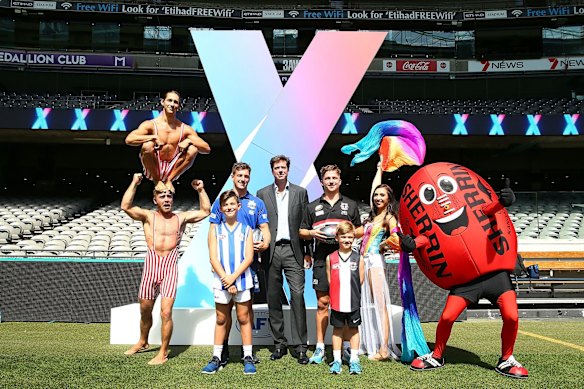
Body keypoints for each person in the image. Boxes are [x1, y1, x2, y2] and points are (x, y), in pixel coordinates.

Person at [121, 173, 210, 365]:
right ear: (155, 199)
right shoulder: (148, 216)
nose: (167, 199)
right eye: (162, 196)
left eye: (169, 196)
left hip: (170, 267)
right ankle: (143, 341)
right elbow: (125, 206)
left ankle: (162, 351)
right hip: (151, 266)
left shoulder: (181, 217)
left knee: (166, 313)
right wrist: (135, 183)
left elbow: (205, 211)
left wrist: (201, 189)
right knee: (145, 310)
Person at [299, 164, 362, 364]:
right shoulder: (312, 207)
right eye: (327, 178)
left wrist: (344, 234)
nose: (331, 181)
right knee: (322, 304)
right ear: (322, 182)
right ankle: (319, 348)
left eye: (335, 178)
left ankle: (343, 348)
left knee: (344, 305)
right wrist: (311, 233)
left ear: (340, 181)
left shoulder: (350, 205)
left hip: (346, 260)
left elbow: (360, 230)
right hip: (321, 260)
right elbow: (302, 231)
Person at [209, 162, 270, 366]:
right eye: (239, 175)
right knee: (222, 315)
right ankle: (221, 351)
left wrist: (266, 242)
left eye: (246, 176)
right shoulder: (220, 202)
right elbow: (212, 241)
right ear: (233, 176)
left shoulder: (256, 203)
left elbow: (264, 229)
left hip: (245, 269)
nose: (242, 179)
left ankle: (247, 354)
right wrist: (223, 274)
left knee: (245, 312)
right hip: (223, 271)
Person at [257, 155, 310, 364]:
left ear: (288, 170)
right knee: (273, 298)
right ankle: (279, 343)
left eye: (283, 167)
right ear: (272, 171)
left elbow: (305, 223)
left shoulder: (300, 192)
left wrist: (308, 252)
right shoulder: (262, 193)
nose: (280, 170)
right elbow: (258, 225)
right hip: (270, 251)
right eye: (277, 168)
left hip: (293, 249)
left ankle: (300, 346)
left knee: (297, 295)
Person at [202, 190, 256, 375]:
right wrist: (226, 278)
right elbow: (213, 258)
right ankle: (216, 356)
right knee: (221, 319)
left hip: (240, 280)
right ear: (221, 209)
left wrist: (233, 278)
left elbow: (249, 257)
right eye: (226, 205)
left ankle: (247, 356)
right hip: (221, 280)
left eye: (233, 204)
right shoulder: (216, 230)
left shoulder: (247, 229)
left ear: (238, 206)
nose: (230, 207)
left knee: (243, 318)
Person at [125, 90, 211, 194]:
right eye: (169, 100)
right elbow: (129, 139)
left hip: (173, 168)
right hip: (153, 167)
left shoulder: (185, 128)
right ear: (162, 102)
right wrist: (153, 137)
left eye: (175, 102)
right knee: (148, 145)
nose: (172, 104)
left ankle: (169, 180)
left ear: (178, 105)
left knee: (193, 149)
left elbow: (206, 149)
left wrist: (188, 140)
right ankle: (157, 181)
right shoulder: (151, 124)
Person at [359, 162, 401, 361]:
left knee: (379, 304)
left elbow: (396, 237)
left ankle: (384, 349)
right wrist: (378, 170)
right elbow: (372, 190)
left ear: (389, 198)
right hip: (364, 261)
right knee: (366, 302)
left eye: (382, 195)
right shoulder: (374, 217)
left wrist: (384, 244)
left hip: (375, 261)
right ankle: (370, 344)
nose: (377, 198)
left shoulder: (389, 217)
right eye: (376, 195)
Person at [326, 221, 365, 375]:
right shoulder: (331, 258)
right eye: (343, 237)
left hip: (353, 301)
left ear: (354, 238)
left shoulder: (358, 257)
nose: (347, 240)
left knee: (354, 330)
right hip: (337, 302)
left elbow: (360, 279)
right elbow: (330, 279)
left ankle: (354, 360)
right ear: (337, 238)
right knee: (337, 330)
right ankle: (337, 360)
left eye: (350, 237)